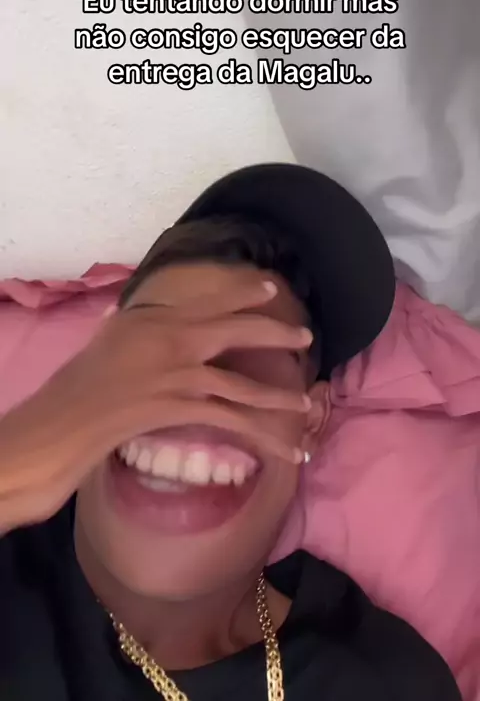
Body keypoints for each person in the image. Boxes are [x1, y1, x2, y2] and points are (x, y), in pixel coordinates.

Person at [0, 164, 460, 700]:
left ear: (310, 422)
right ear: (94, 365)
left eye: (254, 363)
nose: (194, 396)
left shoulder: (388, 683)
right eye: (158, 349)